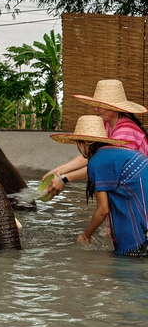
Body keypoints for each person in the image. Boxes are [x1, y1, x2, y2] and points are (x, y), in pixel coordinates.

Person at [50, 115, 148, 256]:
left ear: (85, 144)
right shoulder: (117, 153)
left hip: (140, 216)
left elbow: (103, 210)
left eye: (78, 143)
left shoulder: (97, 162)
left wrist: (86, 235)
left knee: (131, 260)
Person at [42, 79, 148, 199]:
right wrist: (59, 170)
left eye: (100, 106)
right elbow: (95, 156)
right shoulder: (106, 124)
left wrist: (64, 179)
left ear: (113, 108)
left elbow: (103, 165)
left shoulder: (126, 131)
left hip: (138, 193)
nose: (95, 109)